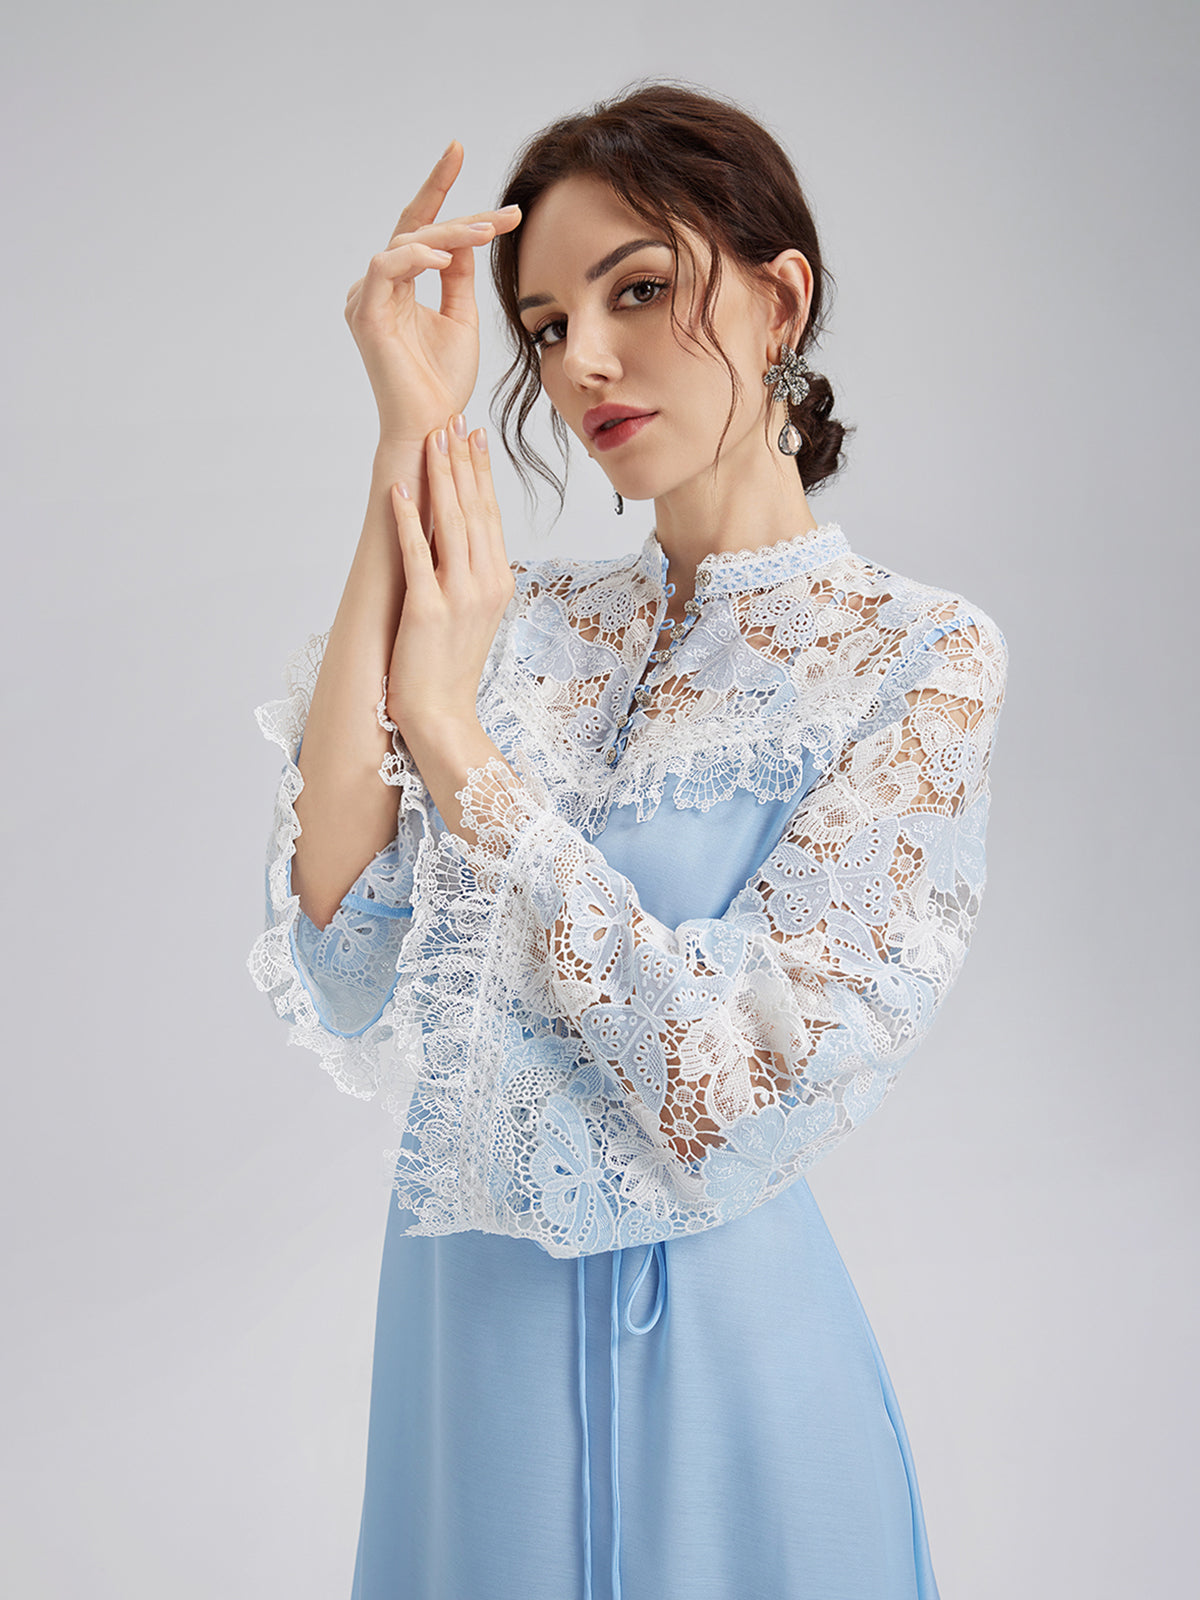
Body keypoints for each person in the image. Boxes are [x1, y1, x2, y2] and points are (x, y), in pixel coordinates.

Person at [248, 81, 1007, 1600]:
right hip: (467, 1371)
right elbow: (339, 945)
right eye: (543, 326)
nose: (582, 359)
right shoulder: (518, 626)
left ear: (779, 298)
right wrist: (410, 434)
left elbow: (723, 1086)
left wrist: (455, 741)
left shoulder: (915, 657)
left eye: (640, 289)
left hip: (723, 1369)